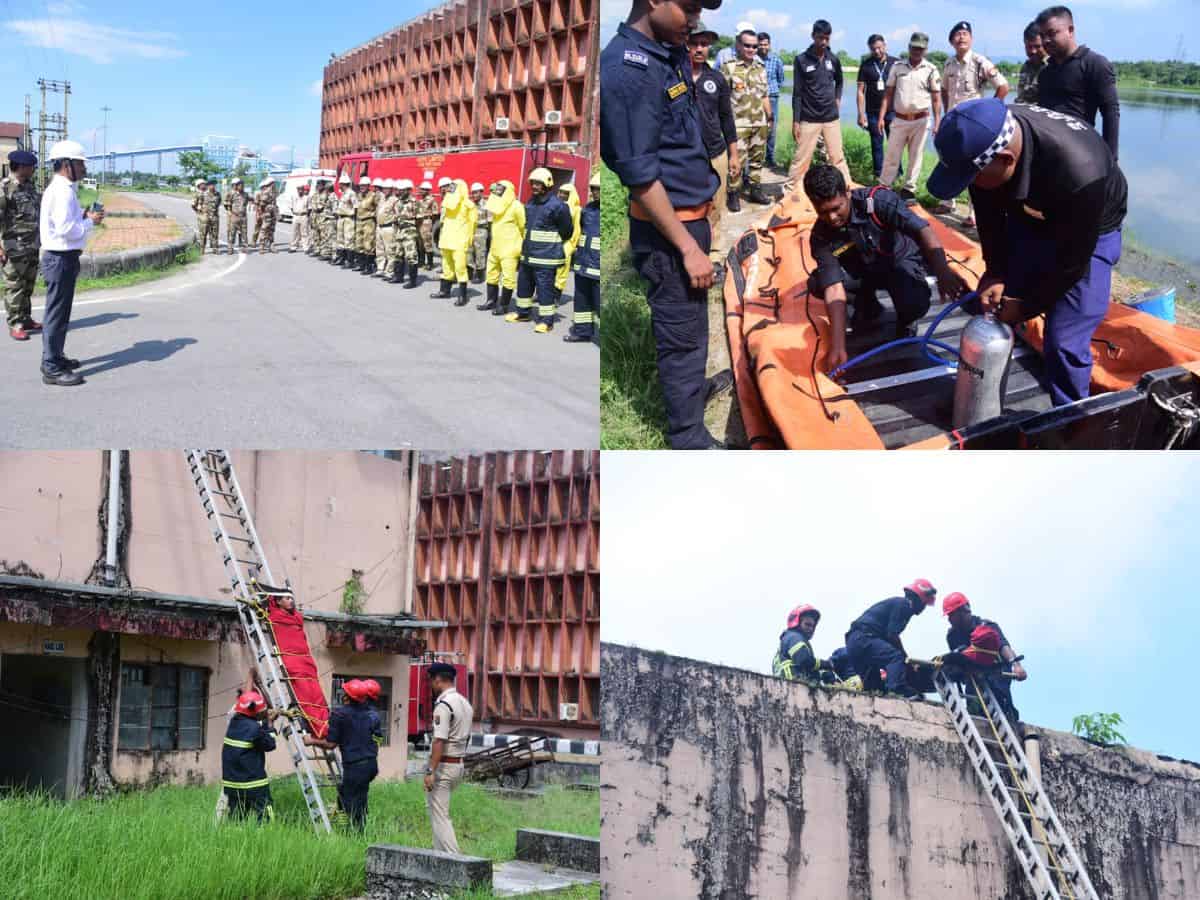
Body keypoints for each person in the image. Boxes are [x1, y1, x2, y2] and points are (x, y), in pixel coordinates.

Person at [927, 98, 1127, 406]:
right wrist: (995, 272)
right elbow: (989, 213)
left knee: (1064, 341)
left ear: (1007, 160)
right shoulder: (986, 140)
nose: (971, 185)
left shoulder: (1080, 170)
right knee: (998, 302)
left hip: (1090, 226)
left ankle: (1071, 419)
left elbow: (1072, 262)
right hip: (1034, 206)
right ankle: (985, 400)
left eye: (971, 178)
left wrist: (1027, 306)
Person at [600, 0, 726, 450]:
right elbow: (639, 175)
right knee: (680, 335)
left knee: (693, 324)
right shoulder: (628, 69)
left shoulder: (666, 51)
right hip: (669, 236)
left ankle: (690, 396)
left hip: (689, 224)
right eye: (688, 6)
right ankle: (687, 438)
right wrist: (688, 249)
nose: (694, 19)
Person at [803, 165, 967, 368]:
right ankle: (869, 307)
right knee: (818, 282)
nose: (832, 218)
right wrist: (838, 347)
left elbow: (923, 229)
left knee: (914, 302)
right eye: (823, 212)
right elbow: (834, 287)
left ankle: (906, 318)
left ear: (847, 192)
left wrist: (943, 271)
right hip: (863, 272)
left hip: (897, 264)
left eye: (837, 208)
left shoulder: (878, 201)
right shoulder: (820, 236)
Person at [38, 140, 104, 387]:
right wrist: (91, 222)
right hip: (60, 258)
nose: (84, 168)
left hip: (63, 258)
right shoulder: (63, 191)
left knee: (61, 313)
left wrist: (85, 215)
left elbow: (67, 222)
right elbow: (66, 229)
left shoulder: (64, 188)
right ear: (66, 165)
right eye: (80, 163)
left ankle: (56, 357)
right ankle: (51, 367)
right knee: (56, 314)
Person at [940, 21, 1009, 227]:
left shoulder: (980, 62)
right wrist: (946, 111)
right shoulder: (948, 64)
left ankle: (973, 214)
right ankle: (947, 201)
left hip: (972, 127)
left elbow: (1003, 87)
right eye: (957, 35)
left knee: (974, 168)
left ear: (971, 39)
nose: (961, 37)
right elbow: (944, 89)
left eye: (965, 34)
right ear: (952, 41)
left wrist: (989, 111)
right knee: (949, 161)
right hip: (953, 123)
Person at [1035, 6, 1119, 160]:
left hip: (1079, 150)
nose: (1046, 40)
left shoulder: (1095, 64)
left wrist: (1111, 158)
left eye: (1052, 33)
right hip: (1046, 149)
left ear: (1071, 30)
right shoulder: (1045, 73)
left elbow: (1110, 112)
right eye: (1042, 35)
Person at [688, 19, 739, 267]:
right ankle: (688, 251)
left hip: (715, 153)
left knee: (716, 205)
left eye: (704, 44)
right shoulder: (673, 76)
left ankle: (715, 253)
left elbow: (726, 118)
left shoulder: (716, 78)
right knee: (686, 205)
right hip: (684, 156)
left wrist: (734, 154)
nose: (699, 49)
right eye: (694, 43)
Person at [304, 678, 383, 831]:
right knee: (359, 797)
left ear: (347, 696)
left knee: (347, 800)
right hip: (371, 765)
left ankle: (350, 833)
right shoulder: (371, 714)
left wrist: (311, 740)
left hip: (355, 766)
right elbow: (375, 738)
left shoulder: (339, 715)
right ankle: (359, 829)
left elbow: (331, 744)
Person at [942, 591, 1026, 729]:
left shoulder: (986, 626)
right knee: (975, 707)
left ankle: (1011, 722)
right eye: (949, 616)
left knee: (1001, 704)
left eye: (952, 615)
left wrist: (1016, 665)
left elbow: (1004, 646)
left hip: (995, 670)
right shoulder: (952, 636)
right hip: (973, 673)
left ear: (964, 611)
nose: (950, 619)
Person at [877, 33, 942, 203]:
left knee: (916, 156)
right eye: (914, 47)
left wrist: (937, 121)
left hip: (921, 120)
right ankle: (884, 187)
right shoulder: (897, 67)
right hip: (899, 119)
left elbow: (936, 98)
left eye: (920, 48)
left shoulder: (931, 70)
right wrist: (881, 117)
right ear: (909, 47)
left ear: (925, 50)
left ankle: (908, 190)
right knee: (892, 155)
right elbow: (888, 94)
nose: (916, 51)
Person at [844, 579, 937, 697]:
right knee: (895, 657)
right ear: (918, 598)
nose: (924, 607)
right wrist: (905, 660)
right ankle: (897, 689)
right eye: (924, 603)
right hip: (864, 638)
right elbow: (892, 636)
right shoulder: (904, 605)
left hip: (854, 643)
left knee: (875, 690)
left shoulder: (899, 606)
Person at [506, 167, 572, 331]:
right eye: (533, 183)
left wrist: (550, 244)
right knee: (524, 285)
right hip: (528, 255)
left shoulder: (558, 206)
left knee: (545, 290)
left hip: (546, 257)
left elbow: (567, 231)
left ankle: (546, 321)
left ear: (547, 184)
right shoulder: (530, 203)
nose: (534, 186)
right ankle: (523, 312)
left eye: (538, 184)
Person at [789, 19, 850, 186]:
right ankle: (790, 193)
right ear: (812, 36)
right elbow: (797, 93)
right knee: (801, 160)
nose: (823, 42)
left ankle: (847, 189)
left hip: (831, 117)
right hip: (809, 118)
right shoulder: (801, 60)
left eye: (826, 38)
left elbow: (840, 81)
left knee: (837, 158)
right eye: (819, 37)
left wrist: (837, 100)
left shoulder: (834, 59)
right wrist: (796, 121)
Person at [423, 662, 473, 854]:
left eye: (431, 682)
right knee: (436, 814)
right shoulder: (464, 703)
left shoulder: (444, 705)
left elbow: (439, 741)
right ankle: (440, 857)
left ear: (437, 680)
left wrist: (430, 771)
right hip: (458, 764)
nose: (431, 687)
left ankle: (457, 860)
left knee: (440, 816)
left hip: (443, 767)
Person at [721, 28, 772, 206]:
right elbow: (722, 97)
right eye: (747, 45)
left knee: (758, 159)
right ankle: (734, 193)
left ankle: (755, 190)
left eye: (754, 46)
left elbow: (764, 94)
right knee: (737, 161)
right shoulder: (729, 67)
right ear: (738, 45)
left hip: (759, 122)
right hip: (738, 123)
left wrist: (770, 117)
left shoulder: (761, 68)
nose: (751, 49)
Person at [1, 149, 43, 342]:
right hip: (13, 246)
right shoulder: (5, 188)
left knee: (27, 286)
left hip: (32, 245)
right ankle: (15, 323)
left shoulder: (29, 187)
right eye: (31, 166)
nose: (34, 169)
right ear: (22, 167)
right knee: (15, 287)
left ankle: (25, 319)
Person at [221, 689, 279, 823]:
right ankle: (265, 838)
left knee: (237, 819)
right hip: (254, 784)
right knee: (265, 814)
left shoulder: (233, 724)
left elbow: (253, 733)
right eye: (261, 711)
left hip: (232, 784)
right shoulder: (254, 728)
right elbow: (270, 745)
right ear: (254, 711)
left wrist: (263, 721)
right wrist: (270, 724)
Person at [857, 35, 900, 183]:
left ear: (885, 46)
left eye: (879, 47)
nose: (877, 51)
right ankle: (879, 176)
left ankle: (897, 175)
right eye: (873, 48)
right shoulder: (866, 65)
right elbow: (860, 91)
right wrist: (861, 114)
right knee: (876, 144)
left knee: (895, 144)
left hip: (893, 112)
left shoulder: (895, 63)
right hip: (873, 112)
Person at [431, 177, 477, 306]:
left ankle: (462, 296)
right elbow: (443, 221)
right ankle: (444, 291)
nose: (450, 190)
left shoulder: (469, 205)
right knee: (447, 267)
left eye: (453, 187)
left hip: (459, 242)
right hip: (446, 240)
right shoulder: (447, 202)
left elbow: (472, 224)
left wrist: (469, 240)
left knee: (460, 268)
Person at [566, 172, 600, 342]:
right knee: (582, 302)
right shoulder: (588, 209)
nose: (595, 192)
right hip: (582, 264)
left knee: (600, 303)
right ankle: (582, 331)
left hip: (598, 267)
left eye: (598, 189)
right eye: (593, 189)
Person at [481, 179, 524, 314]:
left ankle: (504, 305)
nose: (498, 192)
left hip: (510, 249)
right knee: (491, 275)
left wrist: (520, 245)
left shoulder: (517, 206)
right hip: (495, 247)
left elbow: (523, 226)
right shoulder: (496, 203)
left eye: (501, 189)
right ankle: (491, 301)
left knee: (508, 278)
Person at [772, 604, 831, 683]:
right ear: (796, 623)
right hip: (793, 686)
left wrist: (822, 674)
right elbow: (803, 660)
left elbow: (804, 667)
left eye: (813, 626)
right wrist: (825, 664)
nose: (811, 629)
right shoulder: (794, 637)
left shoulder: (789, 640)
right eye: (807, 624)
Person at [757, 32, 786, 171]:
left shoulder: (776, 60)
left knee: (771, 129)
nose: (763, 47)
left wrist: (771, 91)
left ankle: (770, 158)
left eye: (766, 44)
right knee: (756, 128)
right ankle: (755, 159)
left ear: (770, 45)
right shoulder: (753, 59)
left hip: (773, 98)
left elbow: (781, 79)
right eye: (761, 44)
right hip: (755, 99)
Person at [555, 183, 582, 308]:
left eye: (565, 193)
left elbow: (577, 228)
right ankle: (541, 294)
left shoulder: (576, 210)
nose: (562, 195)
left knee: (562, 269)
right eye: (560, 192)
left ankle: (556, 296)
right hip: (553, 242)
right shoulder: (554, 206)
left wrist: (572, 245)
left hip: (567, 243)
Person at [395, 179, 422, 288]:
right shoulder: (398, 202)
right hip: (400, 231)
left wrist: (413, 228)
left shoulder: (414, 202)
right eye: (399, 190)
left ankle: (412, 281)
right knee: (398, 254)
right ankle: (399, 277)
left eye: (402, 190)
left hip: (409, 231)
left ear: (408, 190)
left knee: (411, 256)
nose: (400, 192)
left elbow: (419, 218)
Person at [1016, 21, 1049, 105]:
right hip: (1023, 113)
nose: (1033, 51)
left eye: (1037, 46)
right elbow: (1021, 97)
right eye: (1029, 46)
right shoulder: (1025, 66)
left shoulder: (1054, 66)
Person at [375, 179, 398, 279]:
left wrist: (392, 220)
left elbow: (398, 214)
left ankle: (389, 271)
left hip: (389, 228)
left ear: (391, 189)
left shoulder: (394, 200)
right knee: (380, 250)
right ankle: (380, 269)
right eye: (384, 188)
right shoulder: (382, 199)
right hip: (379, 227)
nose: (385, 190)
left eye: (387, 188)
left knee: (390, 250)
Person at [355, 176, 379, 274]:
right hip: (359, 221)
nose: (362, 187)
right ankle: (361, 265)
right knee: (359, 243)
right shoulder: (359, 195)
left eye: (364, 185)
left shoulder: (373, 195)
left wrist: (373, 215)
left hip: (369, 222)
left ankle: (369, 267)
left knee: (368, 244)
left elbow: (378, 208)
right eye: (361, 185)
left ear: (368, 186)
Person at [468, 182, 491, 283]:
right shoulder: (471, 204)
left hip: (481, 230)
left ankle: (480, 275)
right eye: (472, 193)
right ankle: (469, 272)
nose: (473, 195)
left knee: (480, 253)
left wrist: (489, 234)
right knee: (469, 251)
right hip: (471, 230)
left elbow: (490, 220)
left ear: (481, 192)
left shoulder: (487, 204)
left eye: (476, 192)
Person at [191, 179, 221, 255]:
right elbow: (193, 205)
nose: (213, 186)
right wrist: (199, 214)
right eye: (211, 185)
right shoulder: (202, 194)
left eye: (214, 185)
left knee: (215, 234)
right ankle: (202, 249)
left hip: (214, 217)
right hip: (205, 217)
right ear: (208, 186)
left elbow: (218, 204)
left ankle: (215, 248)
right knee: (203, 234)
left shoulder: (218, 194)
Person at [224, 177, 250, 254]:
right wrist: (230, 212)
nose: (241, 187)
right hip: (234, 217)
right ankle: (230, 248)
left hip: (243, 217)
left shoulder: (245, 194)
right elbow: (227, 204)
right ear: (236, 186)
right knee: (232, 233)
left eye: (243, 185)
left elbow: (246, 203)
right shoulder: (231, 194)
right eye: (240, 185)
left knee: (244, 233)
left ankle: (244, 247)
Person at [336, 173, 357, 267]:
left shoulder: (351, 193)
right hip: (341, 218)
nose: (339, 185)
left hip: (348, 218)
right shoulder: (343, 193)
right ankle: (341, 258)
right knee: (340, 239)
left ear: (344, 184)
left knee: (349, 239)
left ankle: (350, 261)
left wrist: (354, 218)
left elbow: (355, 206)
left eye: (340, 184)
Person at [417, 181, 439, 270]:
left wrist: (430, 222)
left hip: (426, 222)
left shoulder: (432, 200)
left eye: (423, 189)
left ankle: (430, 263)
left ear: (427, 190)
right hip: (419, 222)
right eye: (421, 189)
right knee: (420, 243)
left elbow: (435, 213)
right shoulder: (420, 200)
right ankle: (421, 262)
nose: (421, 191)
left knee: (427, 243)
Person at [255, 178, 278, 253]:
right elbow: (262, 204)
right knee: (264, 230)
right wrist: (262, 213)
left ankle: (271, 246)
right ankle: (261, 246)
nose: (274, 184)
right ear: (271, 183)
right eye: (273, 183)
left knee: (271, 230)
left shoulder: (274, 192)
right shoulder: (266, 192)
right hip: (267, 214)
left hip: (273, 214)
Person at [290, 182, 310, 253]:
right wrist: (295, 213)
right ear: (297, 190)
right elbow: (291, 207)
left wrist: (306, 214)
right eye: (299, 189)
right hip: (296, 216)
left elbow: (309, 208)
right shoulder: (293, 197)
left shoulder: (307, 198)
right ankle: (293, 247)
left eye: (301, 189)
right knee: (295, 232)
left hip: (304, 216)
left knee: (304, 233)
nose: (300, 191)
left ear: (303, 189)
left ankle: (306, 248)